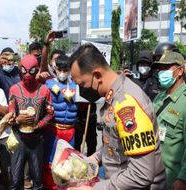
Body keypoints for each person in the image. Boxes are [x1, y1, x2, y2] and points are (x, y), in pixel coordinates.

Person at [69, 43, 166, 189]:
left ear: (97, 75)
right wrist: (95, 158)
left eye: (82, 84)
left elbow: (141, 174)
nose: (81, 90)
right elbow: (116, 144)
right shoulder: (113, 97)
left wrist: (93, 189)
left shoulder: (127, 105)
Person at [9, 55, 54, 190]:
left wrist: (38, 125)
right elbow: (9, 116)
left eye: (31, 71)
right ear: (19, 70)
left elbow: (50, 113)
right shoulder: (14, 89)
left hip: (36, 139)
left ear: (37, 69)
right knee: (15, 179)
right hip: (19, 139)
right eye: (24, 71)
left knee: (38, 178)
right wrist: (17, 119)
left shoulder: (44, 90)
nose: (27, 75)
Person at [152, 52, 186, 190]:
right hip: (153, 177)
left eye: (166, 68)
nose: (161, 72)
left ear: (180, 71)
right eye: (160, 68)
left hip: (172, 180)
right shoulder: (159, 98)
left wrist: (183, 178)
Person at [43, 55, 78, 189]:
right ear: (55, 68)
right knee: (50, 161)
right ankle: (49, 186)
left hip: (70, 129)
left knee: (67, 162)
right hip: (53, 129)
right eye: (60, 69)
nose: (62, 72)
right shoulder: (49, 84)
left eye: (65, 69)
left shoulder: (77, 86)